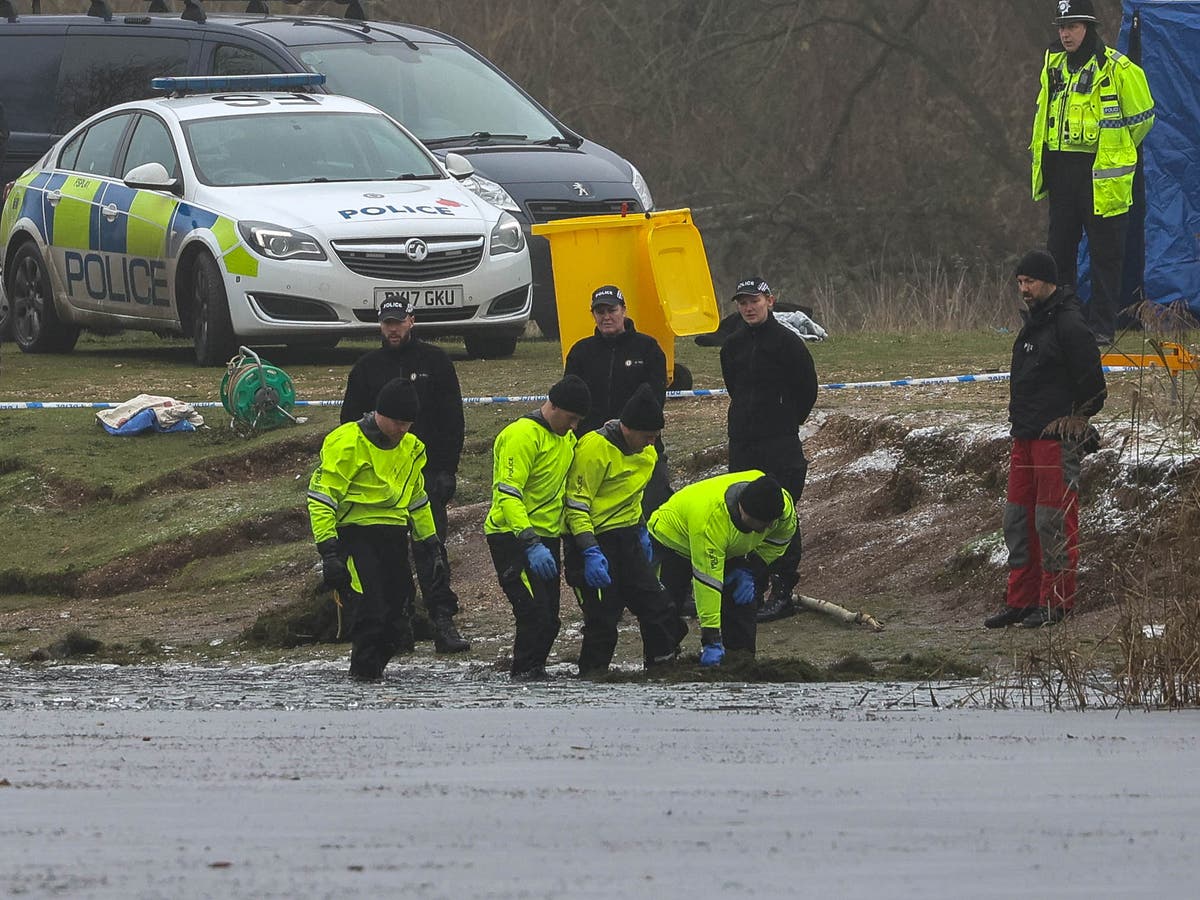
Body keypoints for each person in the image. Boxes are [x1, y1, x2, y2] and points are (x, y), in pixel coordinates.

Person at [984, 250, 1107, 630]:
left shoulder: (1069, 324)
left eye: (1030, 282)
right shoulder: (1035, 323)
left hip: (1054, 440)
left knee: (1053, 522)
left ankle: (1055, 602)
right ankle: (1021, 600)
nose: (1024, 289)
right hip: (1024, 436)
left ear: (1049, 282)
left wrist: (1075, 422)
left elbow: (1094, 388)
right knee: (1018, 522)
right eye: (1020, 282)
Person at [339, 297, 469, 653]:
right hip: (378, 483)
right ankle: (401, 626)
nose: (392, 329)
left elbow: (452, 420)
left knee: (432, 550)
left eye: (398, 322)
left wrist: (447, 469)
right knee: (389, 558)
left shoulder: (436, 362)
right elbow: (349, 426)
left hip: (424, 474)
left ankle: (442, 620)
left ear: (411, 320)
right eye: (387, 323)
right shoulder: (366, 368)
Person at [1030, 0, 1155, 346]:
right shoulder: (1053, 63)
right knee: (1059, 252)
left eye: (1072, 26)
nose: (1065, 34)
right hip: (1061, 171)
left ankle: (1102, 327)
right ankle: (1063, 322)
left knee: (1105, 255)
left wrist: (1116, 150)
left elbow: (1143, 119)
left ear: (1089, 27)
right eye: (1061, 27)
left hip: (1101, 175)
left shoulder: (1118, 68)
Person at [307, 378, 445, 680]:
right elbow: (322, 499)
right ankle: (363, 676)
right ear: (380, 413)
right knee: (372, 610)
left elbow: (417, 499)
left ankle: (370, 673)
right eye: (397, 422)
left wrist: (431, 543)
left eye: (408, 424)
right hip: (355, 534)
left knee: (398, 616)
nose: (403, 430)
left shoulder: (411, 448)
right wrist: (329, 552)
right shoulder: (346, 443)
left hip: (394, 534)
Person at [563, 383, 685, 675]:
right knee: (603, 617)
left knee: (658, 607)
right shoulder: (593, 448)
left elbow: (635, 496)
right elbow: (576, 504)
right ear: (628, 428)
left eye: (656, 437)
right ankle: (592, 677)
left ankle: (662, 668)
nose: (652, 443)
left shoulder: (648, 453)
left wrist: (641, 531)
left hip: (628, 536)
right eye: (647, 436)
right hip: (592, 538)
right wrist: (589, 550)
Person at [719, 277, 818, 622]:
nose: (748, 308)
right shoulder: (732, 345)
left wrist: (784, 419)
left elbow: (807, 389)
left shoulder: (788, 343)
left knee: (781, 512)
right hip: (743, 442)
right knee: (743, 512)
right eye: (743, 302)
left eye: (754, 301)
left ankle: (782, 590)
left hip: (779, 442)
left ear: (770, 301)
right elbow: (733, 387)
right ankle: (751, 586)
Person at [484, 374, 591, 680]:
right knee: (533, 614)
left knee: (550, 620)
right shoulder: (521, 436)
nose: (574, 426)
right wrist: (529, 542)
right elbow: (508, 494)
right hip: (513, 537)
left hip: (547, 537)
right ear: (553, 405)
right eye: (571, 418)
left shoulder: (566, 440)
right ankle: (523, 676)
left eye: (579, 421)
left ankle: (534, 674)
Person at [648, 472, 795, 666]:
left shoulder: (782, 510)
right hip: (672, 537)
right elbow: (707, 583)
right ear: (742, 510)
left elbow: (779, 541)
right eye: (760, 525)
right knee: (665, 607)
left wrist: (750, 568)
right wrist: (711, 639)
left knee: (741, 599)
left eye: (770, 524)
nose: (766, 529)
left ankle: (740, 660)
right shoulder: (712, 521)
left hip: (727, 546)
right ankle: (660, 663)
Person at [564, 284, 673, 515]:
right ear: (593, 314)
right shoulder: (581, 351)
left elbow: (655, 399)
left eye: (612, 310)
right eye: (600, 312)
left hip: (639, 446)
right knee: (587, 511)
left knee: (653, 510)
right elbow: (570, 400)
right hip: (592, 448)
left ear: (624, 310)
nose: (606, 317)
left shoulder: (648, 348)